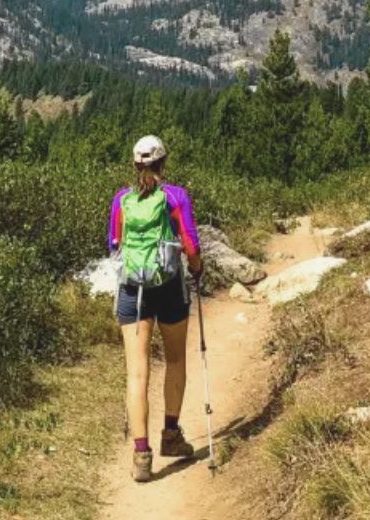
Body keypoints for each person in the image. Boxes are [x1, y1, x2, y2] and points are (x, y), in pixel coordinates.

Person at [106, 133, 204, 483]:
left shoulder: (122, 199)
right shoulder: (175, 196)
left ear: (135, 165)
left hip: (133, 290)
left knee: (137, 372)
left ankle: (141, 455)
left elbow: (114, 245)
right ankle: (171, 435)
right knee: (176, 360)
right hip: (168, 289)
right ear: (163, 162)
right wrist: (197, 268)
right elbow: (190, 243)